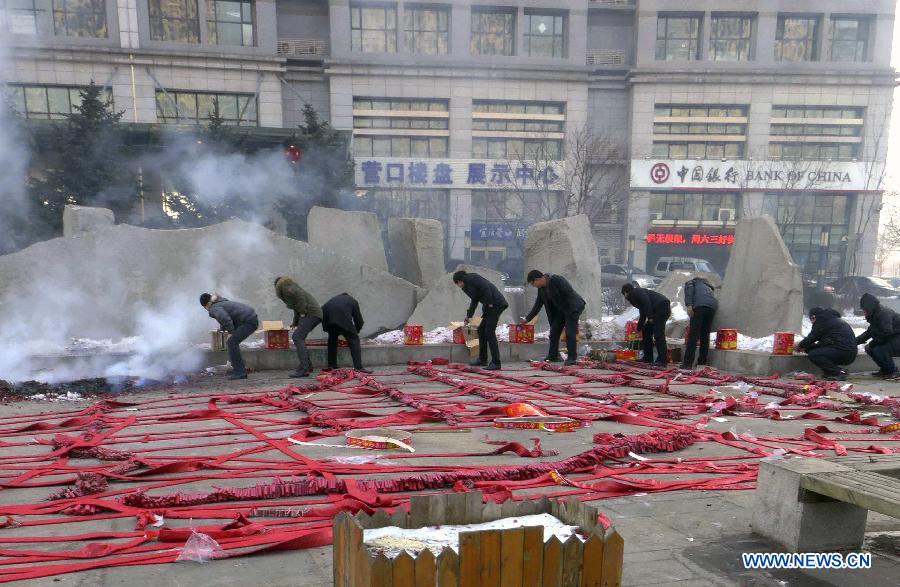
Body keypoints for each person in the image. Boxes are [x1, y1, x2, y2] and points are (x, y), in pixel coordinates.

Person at [524, 269, 586, 365]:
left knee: (570, 333)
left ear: (537, 279)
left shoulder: (556, 280)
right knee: (554, 332)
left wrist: (568, 314)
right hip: (561, 310)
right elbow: (537, 305)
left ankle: (572, 358)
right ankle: (553, 356)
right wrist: (527, 319)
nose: (534, 286)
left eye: (533, 284)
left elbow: (569, 294)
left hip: (573, 307)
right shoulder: (541, 290)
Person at [453, 270, 508, 370]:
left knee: (489, 332)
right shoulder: (467, 287)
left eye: (457, 284)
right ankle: (482, 359)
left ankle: (496, 362)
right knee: (481, 330)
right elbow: (474, 301)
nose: (459, 286)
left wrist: (490, 302)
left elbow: (486, 287)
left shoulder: (472, 278)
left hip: (496, 304)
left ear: (459, 281)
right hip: (489, 306)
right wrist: (468, 317)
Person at [200, 293, 258, 380]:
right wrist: (222, 329)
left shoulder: (214, 308)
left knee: (232, 342)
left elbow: (226, 319)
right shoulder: (219, 302)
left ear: (205, 305)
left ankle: (240, 372)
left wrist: (232, 332)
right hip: (250, 319)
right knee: (232, 342)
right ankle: (239, 369)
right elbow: (226, 317)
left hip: (248, 321)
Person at [274, 276, 322, 378]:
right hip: (313, 313)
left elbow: (301, 298)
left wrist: (303, 313)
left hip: (311, 313)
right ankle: (307, 366)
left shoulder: (287, 287)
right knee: (299, 337)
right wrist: (295, 323)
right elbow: (297, 307)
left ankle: (304, 369)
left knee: (297, 337)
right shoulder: (290, 287)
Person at [795, 307, 858, 381]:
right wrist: (807, 347)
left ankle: (838, 372)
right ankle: (830, 373)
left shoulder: (822, 322)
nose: (812, 322)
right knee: (812, 350)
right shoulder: (830, 320)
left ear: (814, 317)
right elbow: (825, 342)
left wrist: (799, 346)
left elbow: (812, 337)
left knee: (814, 354)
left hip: (844, 352)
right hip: (848, 352)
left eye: (811, 319)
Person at [321, 293, 372, 374]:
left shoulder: (334, 299)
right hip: (341, 317)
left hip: (327, 317)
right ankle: (358, 367)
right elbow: (358, 319)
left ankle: (331, 365)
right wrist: (356, 331)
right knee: (354, 339)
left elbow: (323, 309)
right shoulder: (352, 301)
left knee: (332, 339)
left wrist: (326, 328)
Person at [621, 283, 671, 365]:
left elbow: (646, 302)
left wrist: (650, 317)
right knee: (647, 330)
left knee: (658, 334)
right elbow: (643, 311)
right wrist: (639, 327)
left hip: (661, 307)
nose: (625, 297)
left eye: (624, 294)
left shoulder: (635, 293)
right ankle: (648, 358)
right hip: (659, 308)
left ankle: (662, 360)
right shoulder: (636, 294)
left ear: (625, 292)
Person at [856, 292, 900, 379]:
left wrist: (874, 342)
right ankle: (885, 369)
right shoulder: (875, 315)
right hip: (893, 338)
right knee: (869, 348)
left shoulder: (884, 313)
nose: (864, 312)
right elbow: (869, 333)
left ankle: (893, 371)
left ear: (870, 307)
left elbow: (886, 332)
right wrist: (853, 341)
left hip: (897, 338)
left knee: (879, 348)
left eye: (865, 310)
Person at [680, 277, 718, 369]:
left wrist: (689, 305)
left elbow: (689, 294)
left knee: (693, 335)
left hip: (699, 307)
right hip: (711, 308)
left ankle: (687, 363)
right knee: (705, 335)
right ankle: (702, 362)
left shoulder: (691, 283)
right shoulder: (708, 287)